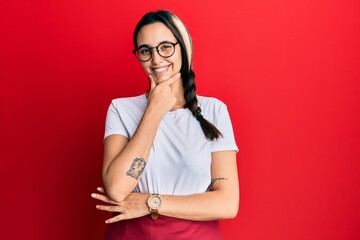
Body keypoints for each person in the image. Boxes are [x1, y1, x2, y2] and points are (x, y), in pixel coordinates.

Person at [91, 10, 239, 240]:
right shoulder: (120, 109)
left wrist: (150, 203)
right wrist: (154, 111)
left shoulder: (215, 110)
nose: (156, 59)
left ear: (184, 48)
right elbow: (118, 189)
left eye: (166, 47)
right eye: (145, 51)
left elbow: (227, 204)